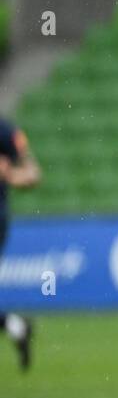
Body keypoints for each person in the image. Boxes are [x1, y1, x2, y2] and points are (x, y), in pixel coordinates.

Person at [0, 115, 40, 369]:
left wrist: (9, 175)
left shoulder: (5, 131)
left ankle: (15, 325)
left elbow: (33, 174)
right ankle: (16, 326)